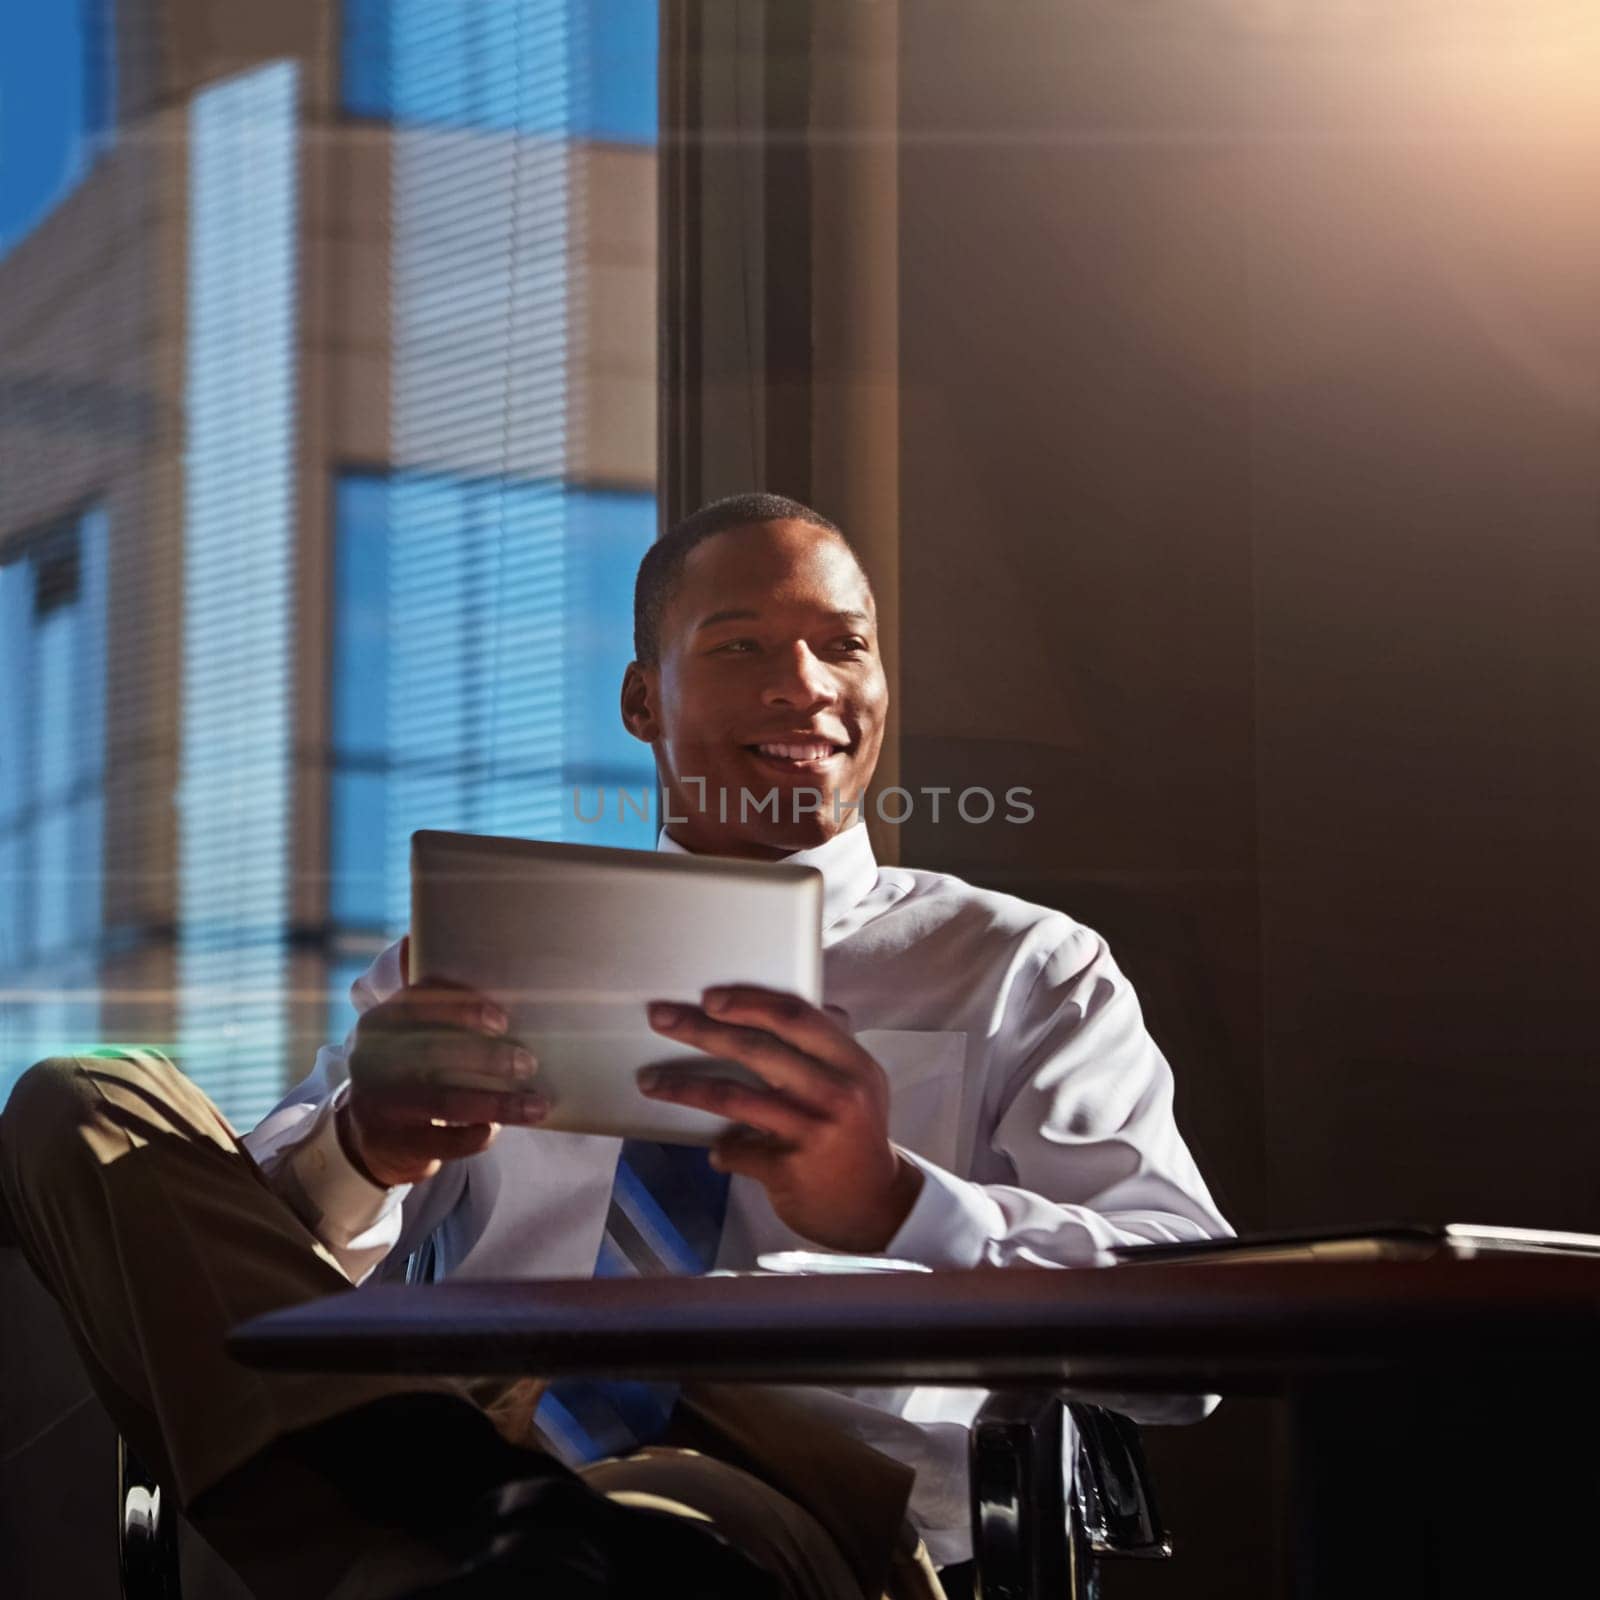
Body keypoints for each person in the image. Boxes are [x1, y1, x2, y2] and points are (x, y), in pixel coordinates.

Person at [1, 493, 1229, 1599]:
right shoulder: (476, 950)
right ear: (644, 698)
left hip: (773, 1498)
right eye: (742, 643)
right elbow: (232, 1264)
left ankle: (514, 1536)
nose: (805, 684)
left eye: (842, 642)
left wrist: (904, 1205)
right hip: (449, 1450)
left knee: (624, 1530)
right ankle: (496, 1515)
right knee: (86, 1101)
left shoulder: (1019, 963)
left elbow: (1194, 1348)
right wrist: (361, 1152)